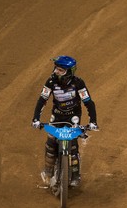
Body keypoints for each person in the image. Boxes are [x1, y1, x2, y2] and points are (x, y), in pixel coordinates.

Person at [31, 55, 98, 187]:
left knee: (72, 144)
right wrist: (36, 119)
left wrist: (93, 122)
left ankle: (75, 175)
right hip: (56, 116)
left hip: (73, 116)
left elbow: (89, 103)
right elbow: (42, 100)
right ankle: (48, 171)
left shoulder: (78, 83)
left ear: (69, 72)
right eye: (56, 68)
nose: (56, 71)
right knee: (51, 142)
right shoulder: (51, 82)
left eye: (60, 70)